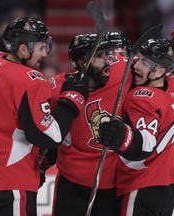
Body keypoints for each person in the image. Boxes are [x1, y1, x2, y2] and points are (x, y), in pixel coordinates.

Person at [0, 17, 89, 216]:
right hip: (10, 177)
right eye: (41, 47)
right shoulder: (32, 81)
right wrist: (72, 100)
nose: (45, 53)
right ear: (22, 50)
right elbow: (49, 135)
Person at [98, 22, 174, 215]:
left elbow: (145, 142)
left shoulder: (140, 97)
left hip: (140, 184)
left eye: (145, 63)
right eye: (139, 58)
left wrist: (123, 137)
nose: (136, 65)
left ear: (160, 71)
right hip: (167, 188)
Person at [44, 31, 132, 216]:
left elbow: (159, 73)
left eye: (108, 54)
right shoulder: (57, 86)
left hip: (109, 183)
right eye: (100, 56)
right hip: (70, 183)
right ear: (83, 62)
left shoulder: (121, 72)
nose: (108, 61)